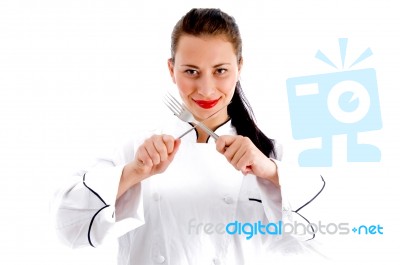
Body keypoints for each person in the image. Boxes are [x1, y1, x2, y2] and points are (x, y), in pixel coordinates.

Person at [52, 8, 325, 264]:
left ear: (239, 67)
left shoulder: (269, 154)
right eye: (191, 72)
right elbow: (67, 225)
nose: (206, 89)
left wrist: (271, 173)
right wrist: (134, 173)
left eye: (220, 71)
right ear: (172, 70)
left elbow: (322, 239)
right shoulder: (136, 149)